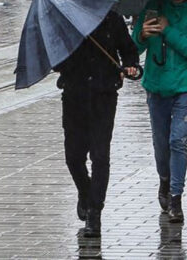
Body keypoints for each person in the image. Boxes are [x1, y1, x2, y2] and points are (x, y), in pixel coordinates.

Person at [132, 0, 187, 223]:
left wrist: (168, 30)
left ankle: (176, 197)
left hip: (185, 86)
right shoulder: (153, 8)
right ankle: (164, 180)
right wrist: (142, 35)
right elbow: (133, 49)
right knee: (161, 142)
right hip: (156, 84)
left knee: (178, 140)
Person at [54, 13, 139, 238]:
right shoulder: (68, 20)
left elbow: (128, 49)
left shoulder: (112, 19)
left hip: (104, 94)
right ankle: (85, 191)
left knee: (100, 156)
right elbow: (55, 60)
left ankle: (95, 212)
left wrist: (130, 66)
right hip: (74, 95)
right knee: (73, 156)